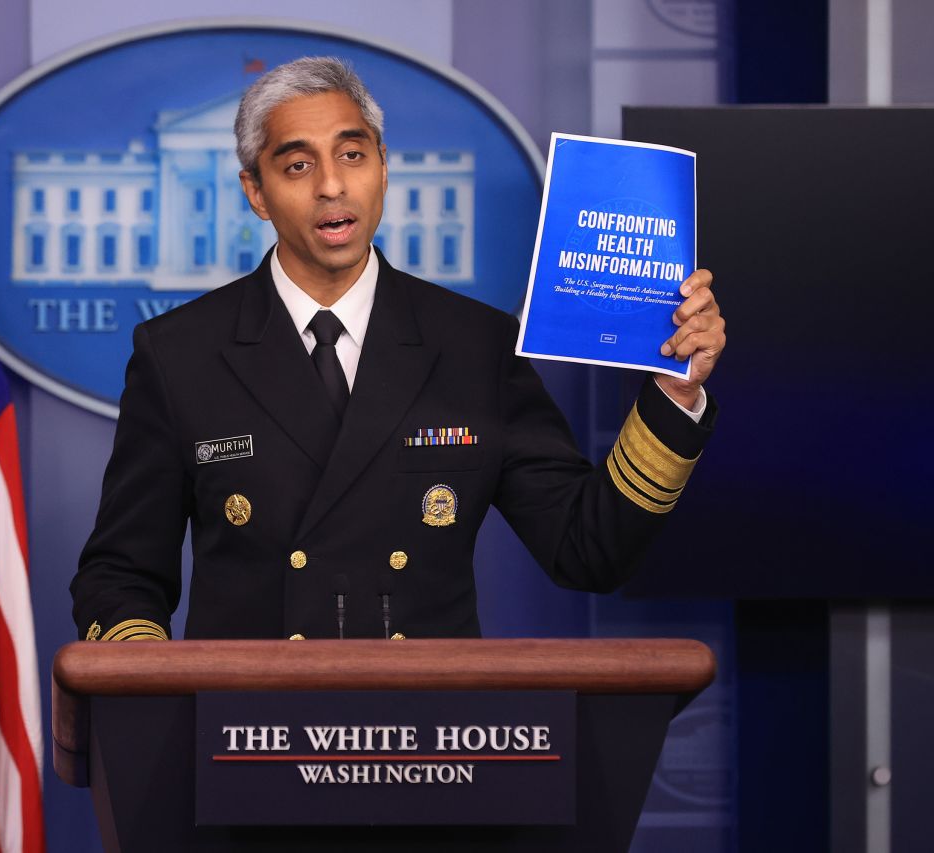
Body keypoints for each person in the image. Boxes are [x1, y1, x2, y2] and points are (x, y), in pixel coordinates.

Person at [70, 57, 725, 642]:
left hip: (427, 742)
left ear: (383, 166)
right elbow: (122, 576)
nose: (331, 186)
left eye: (351, 155)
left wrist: (676, 393)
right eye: (298, 164)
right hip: (244, 738)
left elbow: (588, 550)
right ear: (256, 193)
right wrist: (152, 696)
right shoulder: (179, 352)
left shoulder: (477, 345)